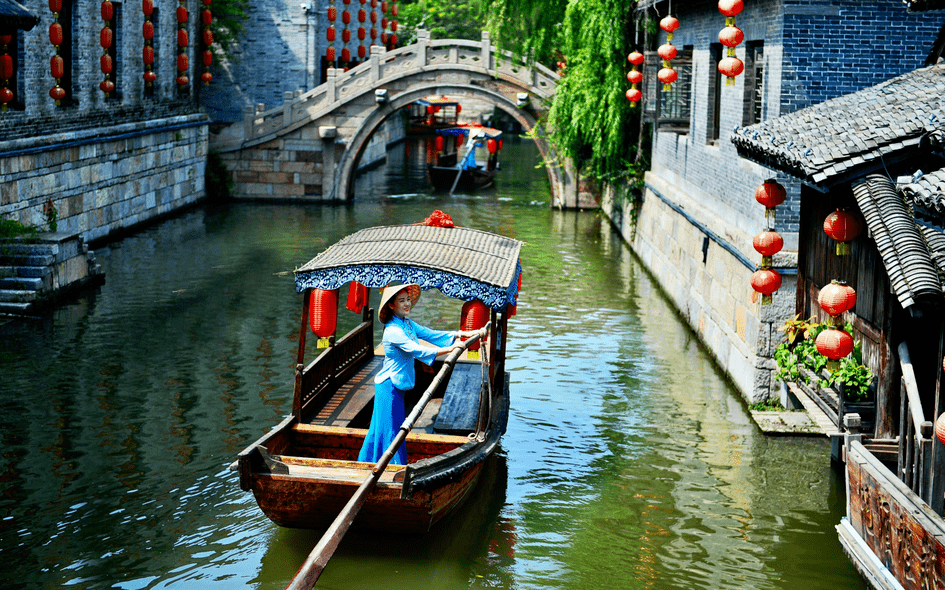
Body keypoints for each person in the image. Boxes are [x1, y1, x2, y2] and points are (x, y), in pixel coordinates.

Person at [358, 283, 483, 465]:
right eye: (402, 301)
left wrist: (463, 334)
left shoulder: (407, 323)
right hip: (388, 386)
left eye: (408, 299)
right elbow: (417, 350)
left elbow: (431, 334)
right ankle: (393, 468)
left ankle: (369, 463)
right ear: (391, 306)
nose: (407, 304)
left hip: (396, 385)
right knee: (391, 431)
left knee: (387, 429)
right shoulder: (393, 330)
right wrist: (450, 349)